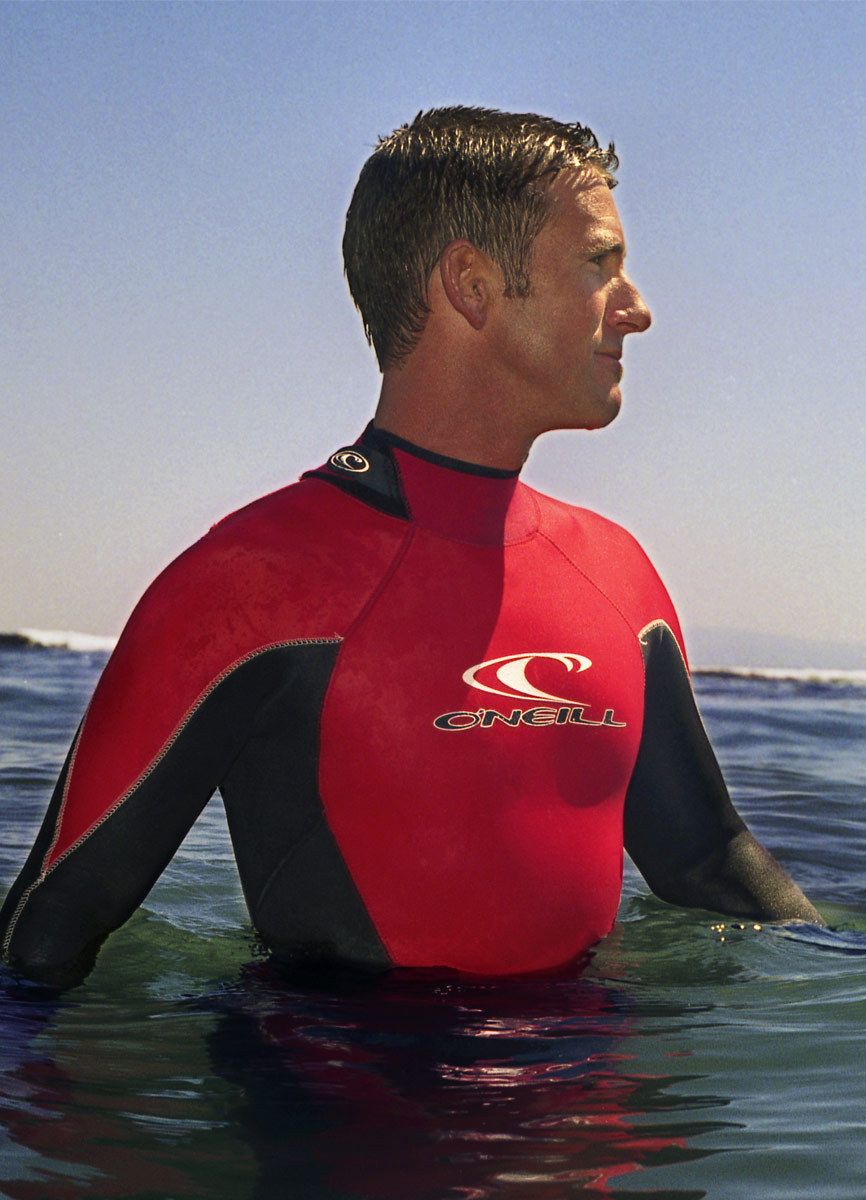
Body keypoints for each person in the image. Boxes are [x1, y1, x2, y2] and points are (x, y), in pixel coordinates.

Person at [0, 106, 820, 990]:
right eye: (599, 264)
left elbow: (706, 858)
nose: (639, 309)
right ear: (471, 283)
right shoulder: (251, 588)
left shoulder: (620, 577)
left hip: (588, 1074)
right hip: (347, 1074)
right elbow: (46, 931)